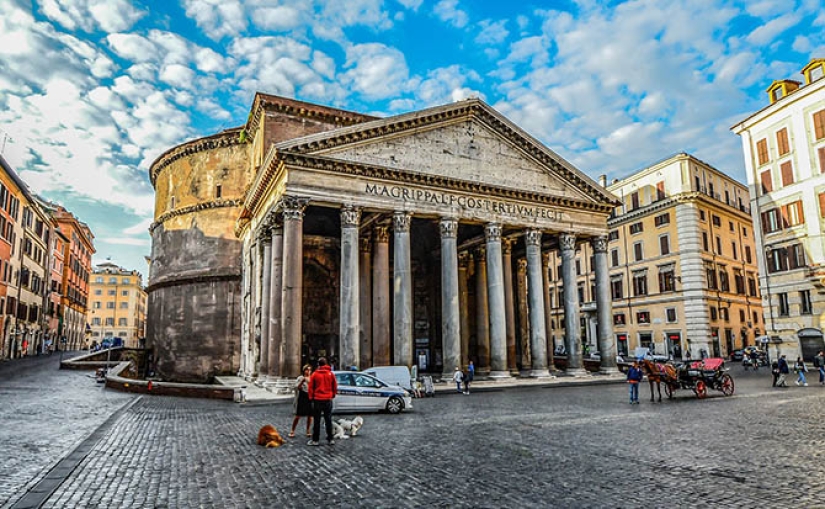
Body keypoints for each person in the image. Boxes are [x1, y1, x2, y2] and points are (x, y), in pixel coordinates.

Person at [308, 357, 337, 446]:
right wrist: (332, 395)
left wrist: (311, 397)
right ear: (326, 364)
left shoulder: (315, 374)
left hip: (317, 399)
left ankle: (315, 440)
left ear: (318, 364)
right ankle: (330, 438)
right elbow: (335, 386)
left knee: (317, 420)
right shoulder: (330, 374)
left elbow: (311, 387)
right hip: (328, 399)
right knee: (328, 419)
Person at [289, 364, 313, 438]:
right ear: (304, 370)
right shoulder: (300, 378)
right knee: (298, 415)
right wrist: (302, 381)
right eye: (307, 370)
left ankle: (308, 430)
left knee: (310, 415)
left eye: (309, 370)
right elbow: (297, 387)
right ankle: (292, 430)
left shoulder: (312, 378)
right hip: (302, 396)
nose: (308, 371)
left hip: (309, 396)